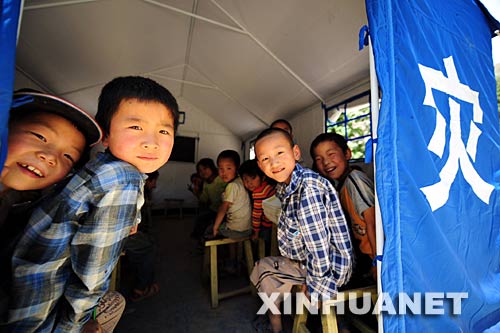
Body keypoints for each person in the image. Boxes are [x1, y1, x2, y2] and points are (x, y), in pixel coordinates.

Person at [5, 76, 179, 332]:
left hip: (16, 297)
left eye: (164, 131)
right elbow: (93, 271)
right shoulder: (123, 178)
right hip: (39, 317)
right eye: (135, 127)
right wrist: (79, 323)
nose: (151, 141)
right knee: (112, 303)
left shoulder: (101, 167)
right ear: (106, 135)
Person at [0, 90, 126, 333]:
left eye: (68, 156)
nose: (49, 157)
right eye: (40, 136)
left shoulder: (24, 203)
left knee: (112, 302)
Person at [250, 128, 353, 333]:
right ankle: (278, 318)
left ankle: (275, 326)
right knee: (270, 267)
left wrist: (316, 283)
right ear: (260, 166)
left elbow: (319, 245)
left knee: (263, 268)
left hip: (328, 269)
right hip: (311, 262)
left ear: (295, 153)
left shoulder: (308, 188)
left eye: (280, 153)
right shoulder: (287, 186)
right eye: (265, 158)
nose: (274, 162)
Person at [310, 132, 376, 282]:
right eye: (319, 159)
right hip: (364, 254)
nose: (326, 162)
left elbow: (373, 222)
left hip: (372, 256)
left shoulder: (355, 180)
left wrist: (377, 261)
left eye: (331, 154)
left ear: (347, 153)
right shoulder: (341, 185)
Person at [123, 171, 160, 302]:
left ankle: (140, 278)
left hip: (124, 232)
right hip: (122, 234)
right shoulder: (136, 188)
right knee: (149, 247)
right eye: (154, 181)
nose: (155, 185)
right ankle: (140, 288)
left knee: (147, 241)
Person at [238, 159, 276, 255]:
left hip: (267, 225)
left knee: (263, 245)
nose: (249, 183)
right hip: (275, 223)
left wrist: (256, 232)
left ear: (262, 177)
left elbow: (256, 215)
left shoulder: (259, 192)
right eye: (246, 180)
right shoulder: (267, 186)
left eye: (253, 178)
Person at [190, 158, 226, 240]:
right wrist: (196, 192)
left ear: (212, 168)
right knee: (201, 219)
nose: (202, 172)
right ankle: (200, 242)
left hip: (225, 211)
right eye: (200, 171)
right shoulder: (206, 184)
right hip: (214, 210)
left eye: (205, 168)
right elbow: (204, 199)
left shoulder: (221, 179)